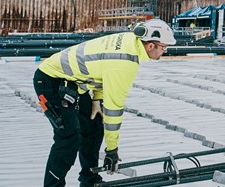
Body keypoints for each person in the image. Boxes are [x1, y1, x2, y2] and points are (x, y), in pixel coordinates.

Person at [33, 19, 176, 187]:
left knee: (94, 126)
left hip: (74, 83)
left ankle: (90, 180)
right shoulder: (125, 62)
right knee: (69, 136)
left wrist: (96, 100)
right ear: (150, 46)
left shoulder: (130, 41)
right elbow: (113, 109)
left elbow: (102, 70)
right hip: (50, 80)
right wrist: (112, 150)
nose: (165, 51)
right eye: (164, 47)